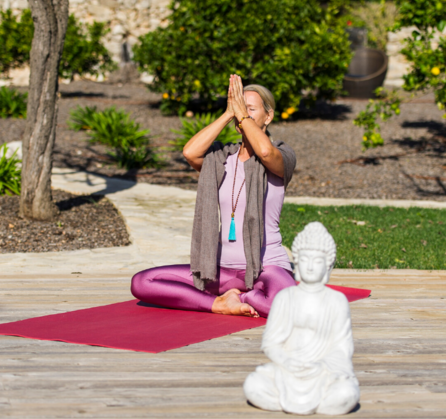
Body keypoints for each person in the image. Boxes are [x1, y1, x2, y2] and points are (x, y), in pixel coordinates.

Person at [130, 75, 297, 318]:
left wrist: (241, 115)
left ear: (268, 116)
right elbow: (190, 152)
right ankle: (219, 304)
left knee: (291, 309)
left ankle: (243, 296)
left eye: (251, 109)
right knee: (143, 282)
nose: (243, 114)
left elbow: (263, 150)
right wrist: (229, 112)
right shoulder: (221, 158)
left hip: (266, 267)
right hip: (220, 270)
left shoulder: (281, 155)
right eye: (240, 108)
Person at [243, 222, 359, 416]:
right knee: (253, 385)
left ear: (328, 265)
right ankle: (312, 403)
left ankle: (320, 400)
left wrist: (320, 366)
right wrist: (287, 362)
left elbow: (342, 348)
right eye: (305, 259)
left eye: (318, 261)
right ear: (296, 263)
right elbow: (271, 344)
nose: (311, 267)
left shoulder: (336, 301)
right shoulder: (285, 298)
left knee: (346, 393)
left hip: (322, 372)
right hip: (287, 370)